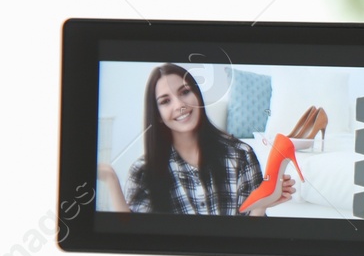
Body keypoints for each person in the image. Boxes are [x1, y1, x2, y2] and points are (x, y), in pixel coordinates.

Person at [96, 63, 294, 216]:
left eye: (184, 92)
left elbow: (252, 237)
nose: (180, 105)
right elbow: (135, 241)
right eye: (165, 101)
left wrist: (261, 206)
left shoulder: (240, 155)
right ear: (157, 115)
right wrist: (111, 179)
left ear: (197, 96)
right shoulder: (142, 172)